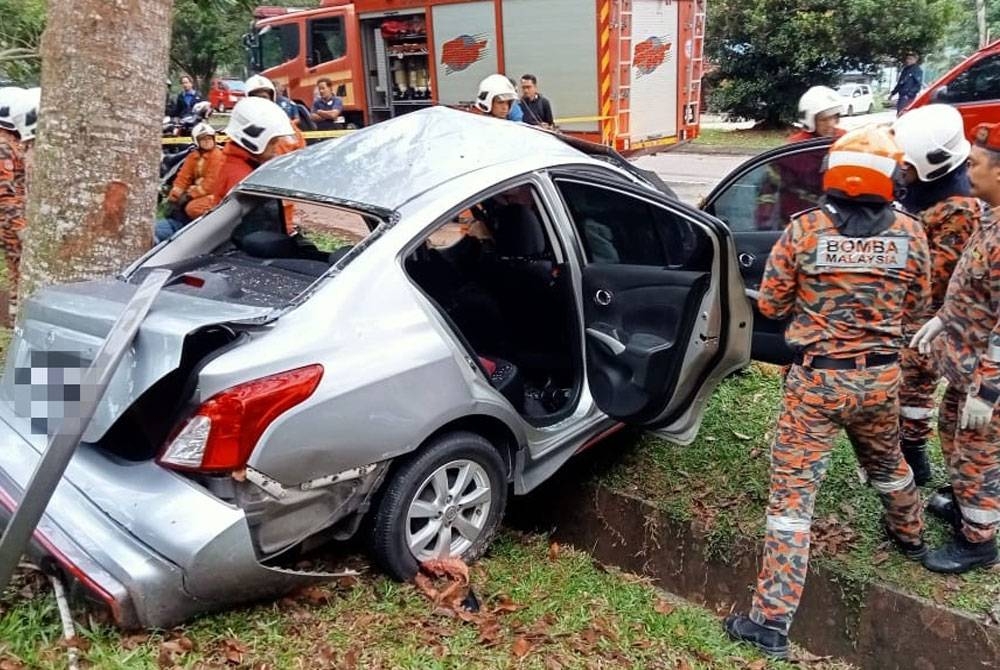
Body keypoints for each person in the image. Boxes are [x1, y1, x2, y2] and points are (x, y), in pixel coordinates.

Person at [725, 127, 931, 658]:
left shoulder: (805, 231)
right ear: (889, 176)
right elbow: (918, 305)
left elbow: (769, 306)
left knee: (792, 503)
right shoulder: (912, 232)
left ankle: (770, 623)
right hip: (881, 379)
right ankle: (911, 535)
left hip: (816, 384)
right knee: (888, 465)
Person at [910, 122, 1000, 574]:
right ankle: (967, 504)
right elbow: (974, 283)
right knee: (953, 432)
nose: (968, 171)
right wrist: (944, 317)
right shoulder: (989, 215)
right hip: (965, 363)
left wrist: (988, 390)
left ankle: (979, 539)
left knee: (978, 450)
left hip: (986, 374)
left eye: (976, 164)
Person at [892, 104, 980, 485]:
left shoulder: (958, 210)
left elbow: (940, 276)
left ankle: (913, 455)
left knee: (916, 386)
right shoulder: (928, 193)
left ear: (932, 164)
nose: (901, 170)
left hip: (929, 318)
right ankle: (909, 450)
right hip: (916, 313)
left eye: (907, 165)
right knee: (910, 385)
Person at [754, 86, 845, 229]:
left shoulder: (846, 142)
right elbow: (768, 189)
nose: (831, 124)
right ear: (810, 120)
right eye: (824, 119)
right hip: (797, 227)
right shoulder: (792, 151)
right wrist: (764, 222)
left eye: (834, 117)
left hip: (837, 226)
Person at [0, 86, 38, 322]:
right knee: (22, 272)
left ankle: (18, 317)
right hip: (12, 220)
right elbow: (4, 195)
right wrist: (21, 228)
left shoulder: (11, 142)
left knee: (19, 273)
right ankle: (20, 319)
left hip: (16, 218)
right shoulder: (3, 145)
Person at [154, 122, 224, 242]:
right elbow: (183, 177)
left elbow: (211, 184)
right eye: (203, 139)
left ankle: (199, 231)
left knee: (192, 208)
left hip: (216, 195)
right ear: (197, 141)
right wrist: (175, 194)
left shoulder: (218, 156)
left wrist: (189, 195)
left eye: (209, 138)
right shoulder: (193, 157)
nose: (207, 141)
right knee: (174, 203)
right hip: (199, 192)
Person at [244, 74, 307, 150]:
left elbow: (300, 148)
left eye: (264, 97)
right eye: (256, 98)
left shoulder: (286, 125)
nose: (261, 101)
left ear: (271, 99)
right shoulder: (242, 127)